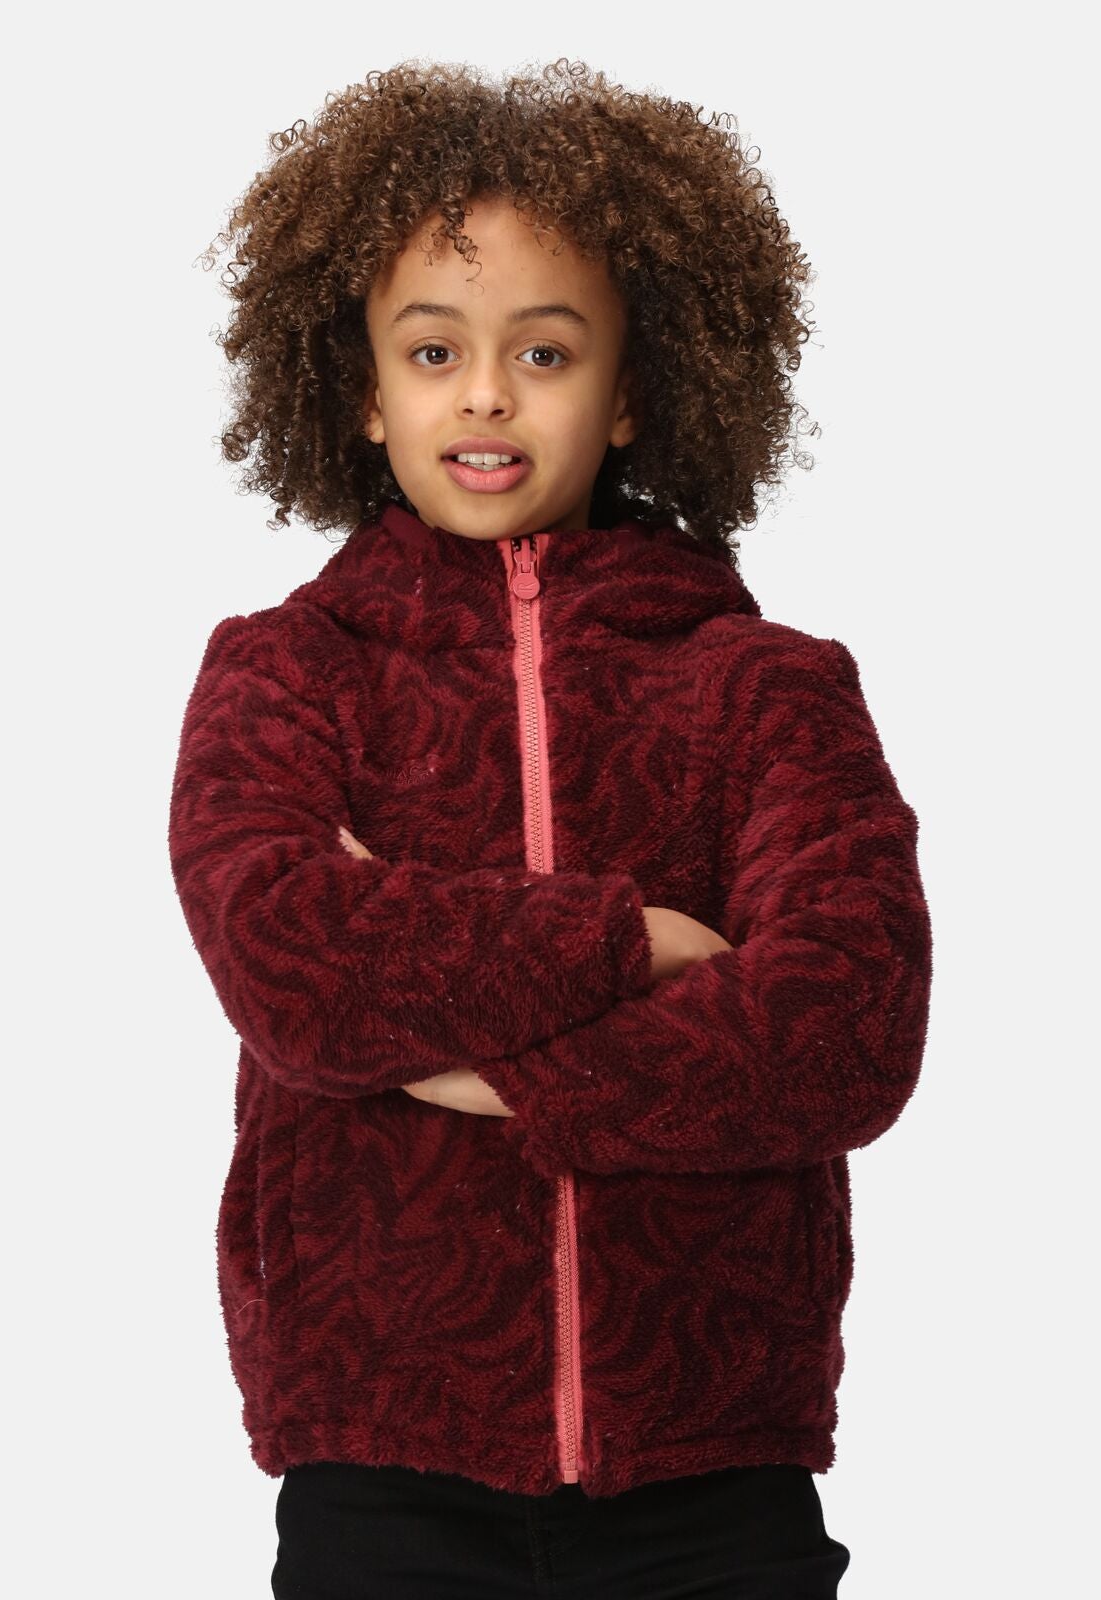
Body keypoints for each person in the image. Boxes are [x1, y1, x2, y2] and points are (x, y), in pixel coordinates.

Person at [169, 56, 933, 1599]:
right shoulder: (286, 672)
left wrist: (456, 1057)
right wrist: (633, 943)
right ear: (365, 391)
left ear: (634, 387)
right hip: (381, 1462)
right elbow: (293, 966)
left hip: (714, 1477)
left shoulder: (766, 687)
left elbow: (850, 1022)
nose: (486, 394)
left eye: (546, 349)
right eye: (432, 348)